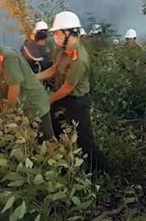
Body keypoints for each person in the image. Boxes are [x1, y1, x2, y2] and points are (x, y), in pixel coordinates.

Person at [36, 11, 110, 172]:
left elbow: (68, 87)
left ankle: (105, 173)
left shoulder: (79, 58)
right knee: (52, 125)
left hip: (77, 102)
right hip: (62, 97)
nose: (55, 36)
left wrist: (48, 100)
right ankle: (60, 164)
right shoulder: (61, 50)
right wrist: (36, 77)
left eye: (57, 32)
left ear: (68, 33)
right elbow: (55, 69)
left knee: (85, 141)